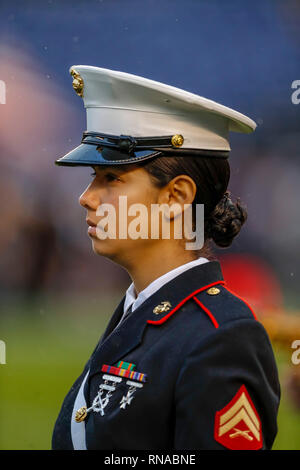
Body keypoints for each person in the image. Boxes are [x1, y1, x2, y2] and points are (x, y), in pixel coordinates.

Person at [52, 66, 280, 450]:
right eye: (94, 176)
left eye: (112, 178)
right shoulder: (142, 312)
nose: (87, 197)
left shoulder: (221, 337)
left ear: (176, 197)